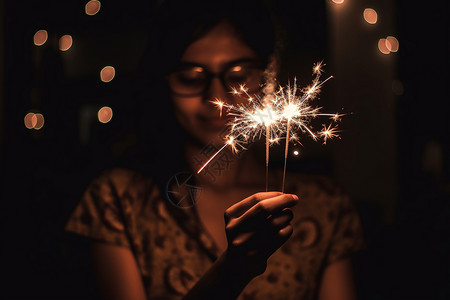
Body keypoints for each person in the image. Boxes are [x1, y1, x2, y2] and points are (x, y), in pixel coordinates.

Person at [65, 0, 365, 299]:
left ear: (269, 72)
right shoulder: (119, 200)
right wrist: (231, 272)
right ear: (164, 79)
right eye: (191, 77)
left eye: (236, 77)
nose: (215, 99)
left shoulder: (324, 205)